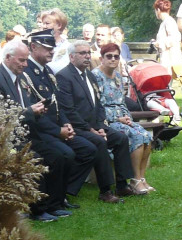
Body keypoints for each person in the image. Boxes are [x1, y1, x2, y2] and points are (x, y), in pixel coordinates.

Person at [0, 41, 71, 222]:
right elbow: (2, 114)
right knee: (35, 158)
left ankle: (54, 204)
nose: (25, 65)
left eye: (26, 61)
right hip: (11, 138)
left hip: (29, 132)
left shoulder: (21, 78)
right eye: (21, 61)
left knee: (60, 154)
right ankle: (37, 209)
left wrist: (38, 110)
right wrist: (31, 111)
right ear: (7, 58)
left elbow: (27, 106)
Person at [22, 30, 97, 207]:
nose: (51, 52)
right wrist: (58, 131)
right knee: (64, 154)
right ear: (33, 47)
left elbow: (56, 104)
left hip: (57, 128)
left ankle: (62, 192)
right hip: (40, 131)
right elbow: (36, 112)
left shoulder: (47, 71)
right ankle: (53, 198)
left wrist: (66, 124)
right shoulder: (26, 73)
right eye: (47, 48)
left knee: (88, 150)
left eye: (52, 48)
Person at [56, 41, 136, 203]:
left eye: (88, 53)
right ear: (71, 57)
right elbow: (68, 110)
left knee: (120, 139)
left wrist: (100, 126)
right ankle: (105, 190)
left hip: (94, 126)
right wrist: (91, 130)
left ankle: (122, 185)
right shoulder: (64, 77)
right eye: (82, 53)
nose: (87, 56)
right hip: (76, 128)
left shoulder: (89, 75)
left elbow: (98, 104)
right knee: (99, 142)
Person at [93, 42, 154, 194]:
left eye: (116, 56)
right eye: (109, 56)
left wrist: (126, 117)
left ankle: (140, 178)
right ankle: (134, 180)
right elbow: (96, 107)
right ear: (102, 58)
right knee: (136, 136)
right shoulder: (95, 77)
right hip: (106, 121)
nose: (113, 59)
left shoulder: (119, 77)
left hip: (121, 118)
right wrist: (117, 119)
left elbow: (122, 102)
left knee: (146, 135)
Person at [154, 0, 182, 78]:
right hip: (166, 57)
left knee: (167, 81)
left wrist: (159, 43)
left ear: (158, 10)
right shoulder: (165, 22)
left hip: (170, 58)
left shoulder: (169, 21)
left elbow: (174, 38)